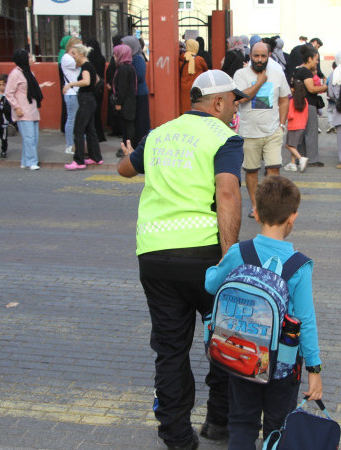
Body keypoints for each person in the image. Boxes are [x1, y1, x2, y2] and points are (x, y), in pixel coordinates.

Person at [117, 69, 247, 450]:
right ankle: (219, 422)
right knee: (224, 338)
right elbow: (227, 194)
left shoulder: (158, 134)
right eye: (234, 102)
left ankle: (176, 435)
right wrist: (230, 257)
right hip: (205, 256)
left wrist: (129, 156)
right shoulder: (224, 137)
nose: (235, 109)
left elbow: (126, 168)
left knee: (170, 349)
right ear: (219, 103)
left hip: (155, 256)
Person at [204, 175, 323, 449]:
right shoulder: (299, 265)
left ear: (255, 212)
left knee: (242, 423)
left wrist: (220, 263)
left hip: (242, 357)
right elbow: (306, 321)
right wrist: (314, 369)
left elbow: (211, 284)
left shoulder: (239, 252)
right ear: (293, 217)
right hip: (283, 366)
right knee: (277, 426)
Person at [234, 42, 290, 218]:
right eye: (256, 56)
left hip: (272, 131)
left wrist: (281, 124)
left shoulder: (278, 73)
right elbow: (240, 99)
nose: (259, 60)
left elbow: (284, 99)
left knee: (274, 169)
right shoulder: (240, 74)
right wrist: (259, 82)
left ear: (269, 56)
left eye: (263, 56)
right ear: (250, 55)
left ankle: (272, 206)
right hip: (249, 133)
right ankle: (256, 206)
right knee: (251, 170)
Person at [5, 49, 54, 171]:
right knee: (29, 138)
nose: (32, 59)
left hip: (32, 108)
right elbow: (8, 93)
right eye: (29, 57)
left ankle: (25, 161)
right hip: (22, 110)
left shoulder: (28, 73)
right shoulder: (15, 74)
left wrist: (42, 85)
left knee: (33, 137)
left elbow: (31, 88)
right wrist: (16, 107)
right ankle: (32, 161)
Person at [63, 43, 103, 170]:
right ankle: (96, 157)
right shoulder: (89, 66)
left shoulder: (86, 67)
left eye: (74, 54)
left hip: (86, 100)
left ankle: (79, 161)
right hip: (89, 99)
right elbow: (96, 80)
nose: (73, 57)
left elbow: (87, 81)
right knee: (90, 130)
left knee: (79, 130)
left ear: (81, 54)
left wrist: (70, 84)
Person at [291, 44, 327, 167]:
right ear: (310, 58)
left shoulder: (297, 70)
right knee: (311, 131)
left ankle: (301, 157)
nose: (317, 62)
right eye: (316, 59)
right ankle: (312, 159)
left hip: (299, 104)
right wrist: (326, 87)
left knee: (302, 132)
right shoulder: (306, 72)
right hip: (309, 104)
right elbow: (311, 89)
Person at [122, 36, 151, 146]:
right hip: (134, 94)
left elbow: (138, 75)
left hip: (140, 94)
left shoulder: (137, 59)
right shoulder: (130, 58)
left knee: (140, 121)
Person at [112, 44, 138, 153]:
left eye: (115, 55)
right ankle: (129, 146)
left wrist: (118, 102)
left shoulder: (123, 69)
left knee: (127, 126)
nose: (114, 57)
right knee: (129, 125)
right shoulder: (130, 67)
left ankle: (128, 148)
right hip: (130, 100)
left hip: (126, 102)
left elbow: (122, 88)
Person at [60, 39, 81, 155]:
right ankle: (69, 144)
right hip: (72, 93)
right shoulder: (67, 58)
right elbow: (79, 63)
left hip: (76, 92)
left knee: (77, 119)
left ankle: (77, 143)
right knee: (71, 119)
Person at [283, 80, 310, 172]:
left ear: (293, 89)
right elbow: (306, 115)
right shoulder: (305, 100)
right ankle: (292, 163)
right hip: (302, 126)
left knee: (288, 145)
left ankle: (301, 158)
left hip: (293, 126)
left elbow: (290, 115)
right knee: (294, 146)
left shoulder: (292, 101)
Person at [86, 38, 108, 142]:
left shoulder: (88, 59)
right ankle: (100, 134)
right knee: (98, 112)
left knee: (91, 113)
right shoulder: (102, 58)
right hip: (100, 86)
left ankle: (92, 135)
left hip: (90, 87)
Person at [180, 39, 209, 115]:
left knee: (185, 109)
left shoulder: (182, 58)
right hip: (196, 88)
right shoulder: (199, 60)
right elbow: (206, 70)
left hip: (184, 89)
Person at [106, 34, 125, 141]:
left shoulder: (120, 58)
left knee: (117, 108)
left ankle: (119, 130)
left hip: (116, 87)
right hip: (113, 86)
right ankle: (116, 129)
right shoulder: (116, 55)